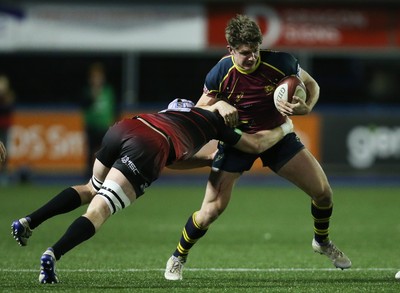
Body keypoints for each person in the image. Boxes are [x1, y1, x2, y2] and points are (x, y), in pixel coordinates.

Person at [11, 98, 293, 284]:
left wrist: (206, 160)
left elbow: (172, 157)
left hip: (128, 126)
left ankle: (28, 222)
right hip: (150, 146)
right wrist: (285, 128)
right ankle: (52, 254)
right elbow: (254, 146)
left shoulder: (181, 107)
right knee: (99, 209)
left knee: (90, 187)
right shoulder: (218, 122)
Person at [164, 14, 351, 281]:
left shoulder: (282, 62)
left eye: (255, 51)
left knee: (324, 194)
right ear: (230, 50)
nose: (251, 57)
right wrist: (218, 105)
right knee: (209, 212)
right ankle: (178, 257)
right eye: (244, 53)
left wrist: (307, 106)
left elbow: (312, 85)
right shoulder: (220, 73)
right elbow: (199, 111)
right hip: (237, 140)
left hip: (276, 138)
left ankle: (321, 241)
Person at [81, 62, 117, 178]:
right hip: (92, 126)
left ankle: (106, 176)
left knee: (107, 153)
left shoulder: (108, 91)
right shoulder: (87, 91)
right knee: (90, 153)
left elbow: (113, 108)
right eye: (94, 77)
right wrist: (93, 94)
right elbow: (84, 106)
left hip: (105, 126)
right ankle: (89, 176)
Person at [0, 74, 15, 184]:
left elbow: (8, 108)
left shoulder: (9, 97)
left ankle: (3, 174)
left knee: (4, 151)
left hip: (5, 127)